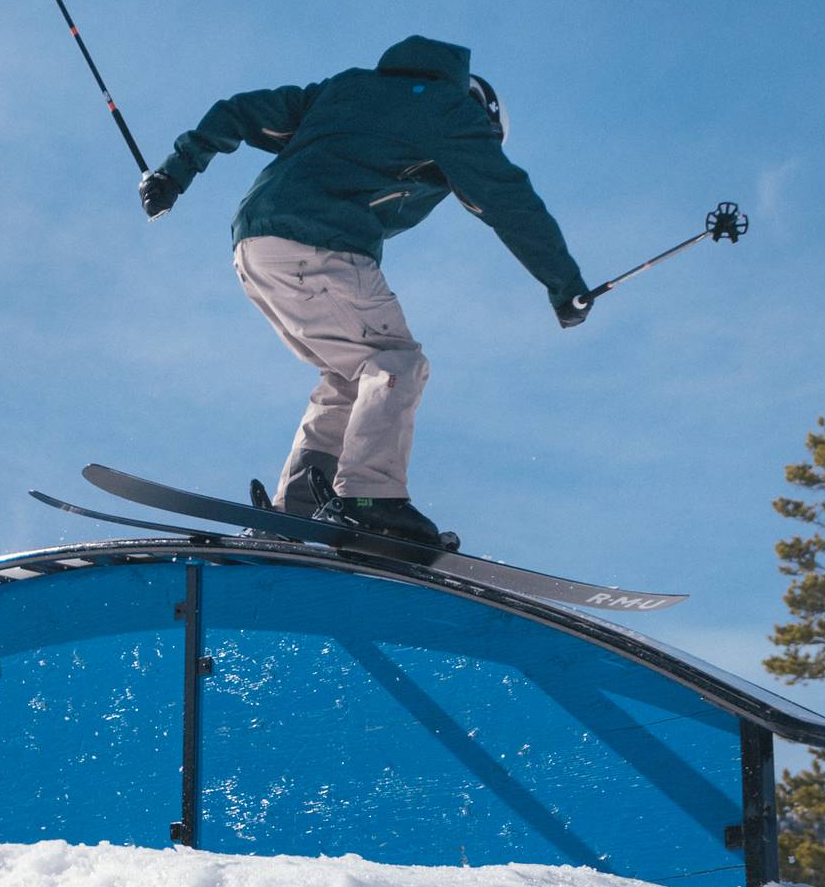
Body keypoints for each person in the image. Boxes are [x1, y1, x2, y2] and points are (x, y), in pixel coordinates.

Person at [139, 34, 591, 546]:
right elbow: (509, 201)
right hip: (319, 244)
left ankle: (303, 501)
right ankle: (370, 497)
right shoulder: (450, 113)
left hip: (254, 247)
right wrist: (564, 285)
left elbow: (237, 112)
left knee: (351, 375)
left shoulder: (346, 89)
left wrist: (173, 174)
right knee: (396, 361)